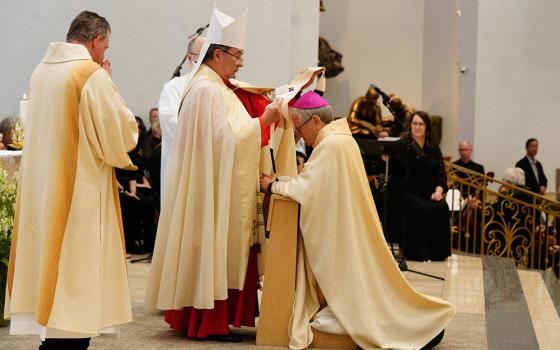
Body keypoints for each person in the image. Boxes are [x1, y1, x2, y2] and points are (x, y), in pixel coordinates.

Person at [259, 91, 455, 350]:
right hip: (349, 226)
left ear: (315, 120)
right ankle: (418, 324)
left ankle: (412, 327)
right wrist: (282, 182)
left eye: (299, 127)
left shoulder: (330, 145)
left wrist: (272, 186)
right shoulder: (341, 139)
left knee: (358, 295)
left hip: (341, 233)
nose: (299, 135)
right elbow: (315, 183)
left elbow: (308, 189)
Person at [145, 7, 282, 342]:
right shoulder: (206, 90)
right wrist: (263, 122)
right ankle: (206, 320)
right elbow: (224, 141)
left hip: (214, 185)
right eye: (238, 56)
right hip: (210, 190)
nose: (241, 63)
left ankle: (212, 316)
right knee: (212, 247)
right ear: (218, 54)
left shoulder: (215, 86)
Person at [5, 11, 138, 350]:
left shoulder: (41, 71)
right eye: (105, 46)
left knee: (54, 289)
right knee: (73, 304)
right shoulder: (89, 75)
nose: (104, 54)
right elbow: (122, 137)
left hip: (45, 194)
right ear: (96, 41)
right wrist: (111, 82)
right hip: (78, 198)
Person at [388, 111, 451, 261]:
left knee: (442, 206)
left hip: (430, 193)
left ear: (427, 126)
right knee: (420, 208)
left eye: (421, 124)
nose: (417, 127)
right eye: (414, 123)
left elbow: (441, 174)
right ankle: (418, 253)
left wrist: (438, 191)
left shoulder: (434, 148)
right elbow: (393, 172)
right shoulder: (402, 146)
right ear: (410, 126)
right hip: (408, 194)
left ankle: (436, 253)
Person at [157, 34, 206, 197]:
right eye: (202, 55)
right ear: (190, 58)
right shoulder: (173, 88)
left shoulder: (218, 87)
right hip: (182, 169)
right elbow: (173, 125)